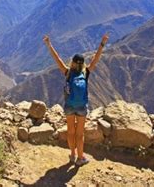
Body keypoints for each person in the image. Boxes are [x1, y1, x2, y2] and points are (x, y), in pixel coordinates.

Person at [43, 33, 109, 166]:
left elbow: (57, 59)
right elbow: (96, 58)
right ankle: (81, 158)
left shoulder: (67, 73)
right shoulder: (86, 72)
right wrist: (102, 43)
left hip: (69, 106)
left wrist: (49, 44)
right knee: (80, 134)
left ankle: (72, 155)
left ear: (72, 62)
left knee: (70, 132)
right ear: (83, 63)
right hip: (81, 107)